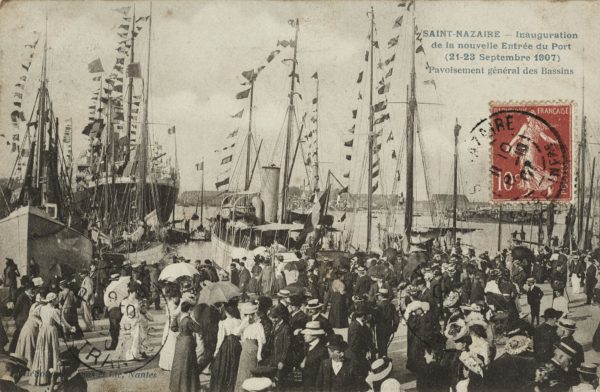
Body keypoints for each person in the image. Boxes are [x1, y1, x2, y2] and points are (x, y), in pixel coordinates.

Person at [30, 292, 76, 386]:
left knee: (42, 352)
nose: (57, 301)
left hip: (42, 332)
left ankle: (42, 378)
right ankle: (50, 377)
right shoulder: (54, 311)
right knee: (52, 351)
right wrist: (71, 328)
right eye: (56, 299)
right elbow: (62, 322)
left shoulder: (41, 308)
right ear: (53, 300)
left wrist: (40, 322)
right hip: (51, 331)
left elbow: (32, 315)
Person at [169, 301, 203, 392]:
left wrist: (180, 330)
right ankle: (188, 386)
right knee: (188, 363)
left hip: (180, 341)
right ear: (189, 309)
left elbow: (173, 328)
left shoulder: (178, 317)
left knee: (179, 363)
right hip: (187, 341)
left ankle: (177, 385)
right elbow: (198, 329)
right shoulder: (189, 320)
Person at [235, 302, 266, 392]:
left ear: (254, 315)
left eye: (250, 315)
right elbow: (236, 333)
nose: (249, 317)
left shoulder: (258, 325)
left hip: (253, 350)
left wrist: (259, 354)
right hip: (245, 350)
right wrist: (243, 323)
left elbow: (261, 341)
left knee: (250, 371)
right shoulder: (245, 325)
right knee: (243, 371)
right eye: (246, 315)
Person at [210, 304, 242, 392]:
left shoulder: (223, 323)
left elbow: (220, 338)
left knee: (224, 366)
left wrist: (216, 350)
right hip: (236, 344)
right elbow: (241, 335)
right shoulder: (239, 321)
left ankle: (223, 387)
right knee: (234, 365)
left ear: (227, 312)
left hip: (226, 344)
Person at [263, 304, 291, 385]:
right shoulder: (275, 324)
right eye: (272, 318)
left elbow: (287, 346)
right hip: (273, 357)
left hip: (280, 358)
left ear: (280, 316)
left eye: (275, 317)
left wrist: (282, 361)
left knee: (279, 381)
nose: (273, 320)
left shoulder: (286, 327)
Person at [348, 303, 375, 389]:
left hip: (362, 357)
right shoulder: (355, 327)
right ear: (363, 315)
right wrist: (366, 352)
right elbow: (353, 345)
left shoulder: (361, 325)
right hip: (358, 359)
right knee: (360, 380)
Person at [14, 292, 44, 367]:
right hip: (31, 329)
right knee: (29, 349)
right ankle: (29, 366)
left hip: (26, 328)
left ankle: (21, 366)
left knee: (23, 349)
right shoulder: (41, 307)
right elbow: (33, 316)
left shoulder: (33, 305)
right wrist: (40, 322)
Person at [113, 283, 142, 361]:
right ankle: (127, 355)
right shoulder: (125, 301)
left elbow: (138, 311)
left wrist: (139, 308)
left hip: (135, 321)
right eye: (134, 293)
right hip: (127, 322)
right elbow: (123, 311)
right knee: (127, 338)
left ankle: (134, 354)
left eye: (136, 293)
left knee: (136, 339)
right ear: (130, 293)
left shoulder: (136, 300)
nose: (136, 295)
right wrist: (134, 307)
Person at [300, 321, 329, 391]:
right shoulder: (307, 346)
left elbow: (323, 374)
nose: (304, 335)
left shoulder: (322, 351)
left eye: (307, 334)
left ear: (315, 335)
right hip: (306, 385)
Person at [556, 318, 584, 386]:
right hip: (572, 379)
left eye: (558, 328)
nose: (556, 330)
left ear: (563, 331)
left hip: (559, 380)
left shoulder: (557, 344)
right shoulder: (579, 346)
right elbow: (580, 364)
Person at [159, 284, 181, 371]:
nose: (178, 298)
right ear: (173, 296)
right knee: (172, 343)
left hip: (169, 324)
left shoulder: (170, 302)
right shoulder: (171, 303)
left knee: (169, 343)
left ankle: (167, 363)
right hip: (172, 324)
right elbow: (174, 314)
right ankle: (171, 364)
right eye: (177, 297)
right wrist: (180, 306)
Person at [374, 288, 399, 358]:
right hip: (388, 328)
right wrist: (394, 328)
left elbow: (376, 318)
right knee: (385, 346)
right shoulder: (392, 306)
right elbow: (396, 318)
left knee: (380, 346)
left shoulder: (379, 306)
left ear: (381, 296)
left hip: (380, 328)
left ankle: (382, 361)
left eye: (379, 295)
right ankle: (384, 358)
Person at [9, 281, 34, 352]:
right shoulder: (22, 297)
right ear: (28, 289)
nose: (33, 290)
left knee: (19, 334)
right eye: (32, 289)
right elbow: (17, 308)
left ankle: (16, 350)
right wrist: (13, 317)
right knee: (18, 334)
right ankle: (12, 350)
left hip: (26, 319)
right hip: (21, 319)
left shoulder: (29, 296)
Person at [106, 274, 122, 350]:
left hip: (112, 309)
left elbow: (106, 302)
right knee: (120, 327)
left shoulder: (109, 288)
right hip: (120, 308)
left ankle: (114, 344)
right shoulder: (123, 287)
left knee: (113, 328)